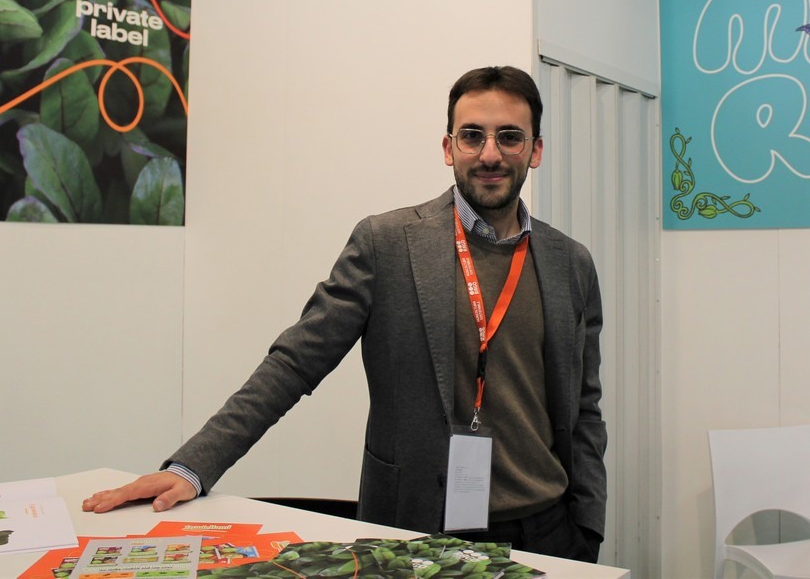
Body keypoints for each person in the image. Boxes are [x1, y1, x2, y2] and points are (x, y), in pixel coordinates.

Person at [83, 65, 607, 562]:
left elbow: (584, 408)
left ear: (535, 150)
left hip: (546, 532)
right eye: (472, 136)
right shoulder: (388, 244)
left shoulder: (571, 264)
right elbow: (294, 362)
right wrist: (193, 467)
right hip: (418, 529)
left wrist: (588, 525)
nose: (490, 153)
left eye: (510, 137)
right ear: (448, 148)